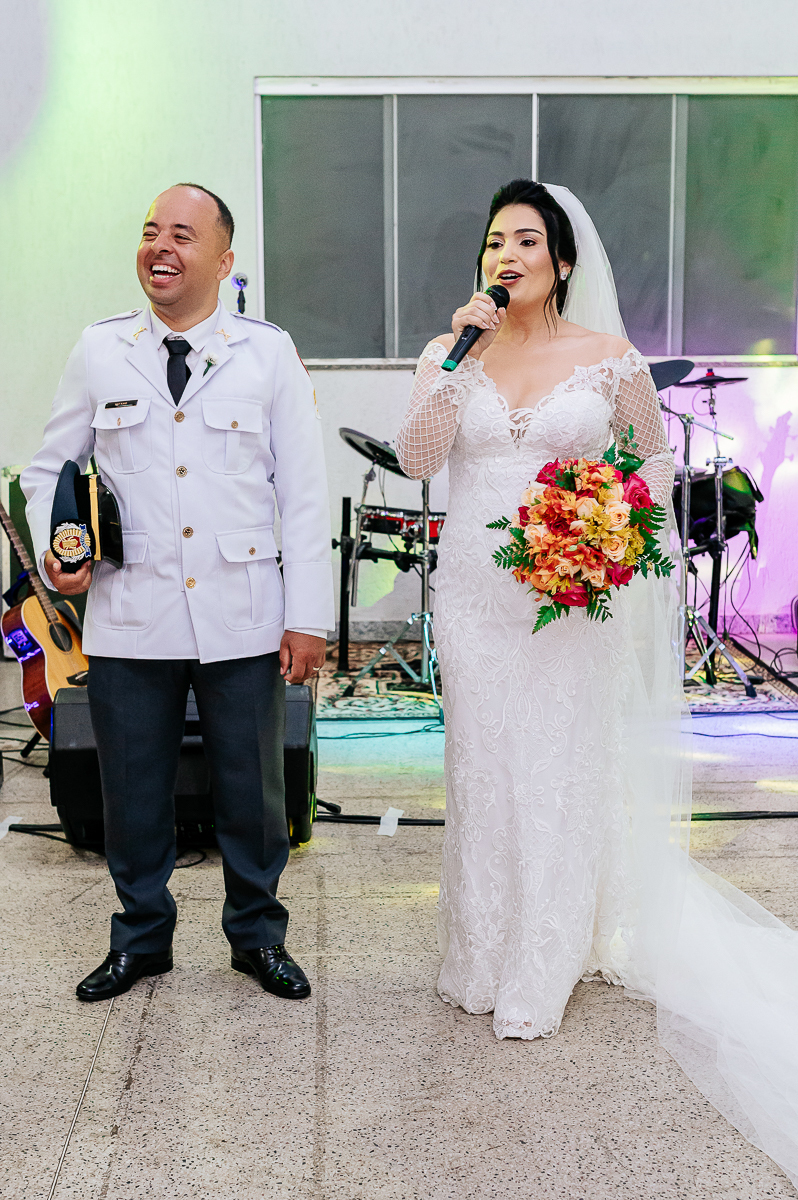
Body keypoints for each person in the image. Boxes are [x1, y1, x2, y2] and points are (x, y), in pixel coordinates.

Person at [396, 179, 798, 1187]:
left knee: (556, 770)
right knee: (483, 770)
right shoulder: (452, 351)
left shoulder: (609, 361)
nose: (508, 255)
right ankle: (477, 958)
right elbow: (416, 460)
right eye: (496, 241)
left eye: (527, 240)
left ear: (563, 260)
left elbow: (653, 470)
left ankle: (542, 965)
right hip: (477, 604)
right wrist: (455, 357)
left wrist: (604, 542)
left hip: (566, 601)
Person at [22, 183, 334, 1003]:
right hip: (132, 609)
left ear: (224, 261)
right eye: (150, 232)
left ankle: (258, 937)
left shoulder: (267, 353)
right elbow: (49, 467)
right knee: (132, 789)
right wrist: (60, 551)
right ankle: (140, 939)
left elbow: (303, 493)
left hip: (242, 613)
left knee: (254, 792)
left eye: (182, 235)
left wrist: (306, 615)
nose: (160, 247)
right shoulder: (100, 350)